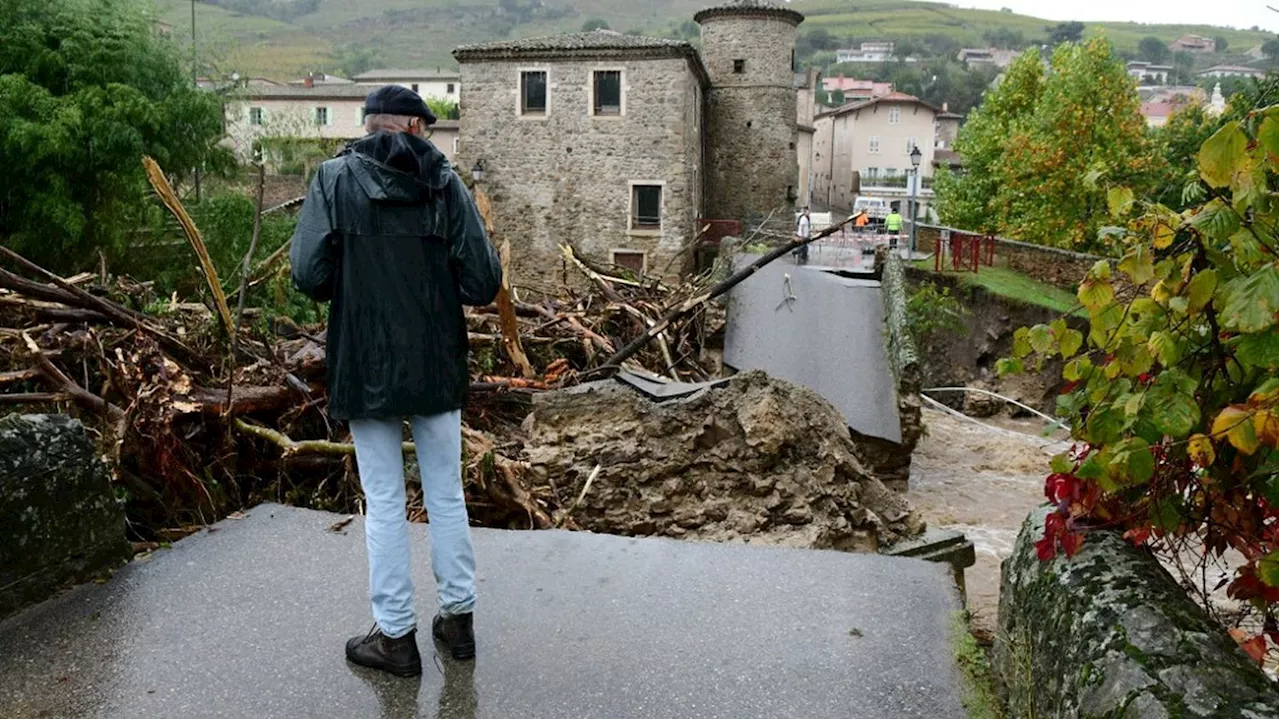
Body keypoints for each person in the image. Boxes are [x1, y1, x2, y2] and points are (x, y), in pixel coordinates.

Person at [290, 85, 502, 675]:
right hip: (436, 357)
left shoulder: (334, 180)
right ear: (411, 125)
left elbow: (308, 273)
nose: (429, 138)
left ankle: (395, 638)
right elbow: (483, 281)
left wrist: (357, 286)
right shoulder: (447, 184)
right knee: (446, 493)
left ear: (371, 125)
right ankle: (458, 624)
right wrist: (434, 286)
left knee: (384, 501)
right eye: (427, 128)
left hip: (364, 356)